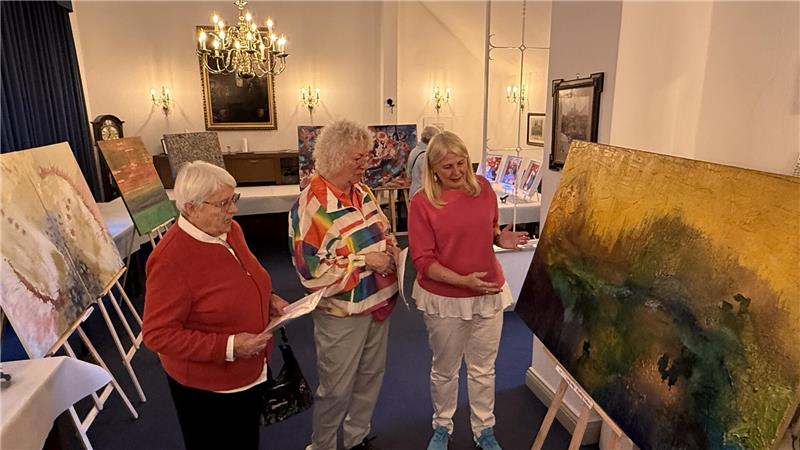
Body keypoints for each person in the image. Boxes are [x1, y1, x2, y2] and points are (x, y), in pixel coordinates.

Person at [142, 160, 289, 450]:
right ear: (191, 208)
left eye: (233, 199)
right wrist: (229, 346)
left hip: (249, 370)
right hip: (210, 388)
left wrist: (268, 297)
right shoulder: (170, 259)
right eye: (223, 203)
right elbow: (157, 334)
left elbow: (247, 276)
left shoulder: (230, 230)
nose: (233, 209)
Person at [408, 131, 529, 450]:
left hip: (488, 292)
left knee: (483, 369)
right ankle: (442, 427)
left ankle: (484, 429)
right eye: (447, 166)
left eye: (461, 163)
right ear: (433, 169)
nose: (457, 171)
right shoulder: (422, 202)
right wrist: (463, 282)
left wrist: (500, 239)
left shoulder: (484, 188)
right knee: (445, 369)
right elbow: (423, 261)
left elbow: (490, 229)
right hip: (445, 300)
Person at [289, 119, 399, 450]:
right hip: (341, 313)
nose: (366, 164)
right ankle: (322, 445)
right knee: (335, 389)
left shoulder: (363, 192)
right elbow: (311, 272)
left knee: (370, 379)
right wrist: (365, 260)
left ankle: (355, 438)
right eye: (358, 158)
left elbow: (383, 229)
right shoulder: (312, 205)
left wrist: (390, 246)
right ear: (336, 157)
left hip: (378, 302)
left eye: (367, 156)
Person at [407, 125, 442, 197]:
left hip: (414, 192)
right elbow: (431, 178)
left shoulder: (414, 151)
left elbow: (409, 175)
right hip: (423, 194)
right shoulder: (425, 155)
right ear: (431, 139)